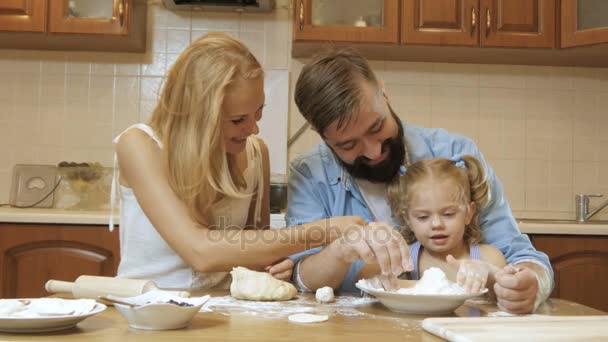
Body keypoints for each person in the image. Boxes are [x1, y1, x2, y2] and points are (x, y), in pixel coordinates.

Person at [286, 49, 553, 314]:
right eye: (347, 144)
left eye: (377, 127)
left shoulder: (454, 153)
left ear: (384, 93)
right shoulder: (309, 174)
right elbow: (299, 277)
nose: (374, 152)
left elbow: (519, 255)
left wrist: (528, 283)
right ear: (322, 136)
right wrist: (340, 250)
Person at [109, 33, 373, 291]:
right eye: (238, 120)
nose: (253, 129)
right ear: (197, 117)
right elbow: (199, 252)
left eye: (258, 113)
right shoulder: (140, 145)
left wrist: (276, 264)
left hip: (223, 312)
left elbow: (255, 251)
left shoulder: (257, 153)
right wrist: (321, 231)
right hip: (146, 312)